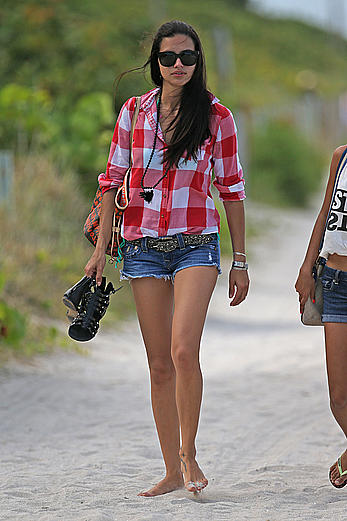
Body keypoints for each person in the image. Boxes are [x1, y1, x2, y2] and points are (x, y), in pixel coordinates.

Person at [85, 20, 249, 497]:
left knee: (183, 350)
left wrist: (239, 259)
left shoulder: (217, 117)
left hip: (196, 242)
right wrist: (100, 252)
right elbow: (112, 182)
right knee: (159, 363)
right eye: (169, 58)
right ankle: (171, 471)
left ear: (199, 62)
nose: (179, 65)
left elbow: (232, 191)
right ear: (155, 64)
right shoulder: (133, 113)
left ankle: (190, 455)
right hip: (141, 247)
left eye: (188, 57)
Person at [295, 144, 347, 489]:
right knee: (339, 397)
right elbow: (326, 212)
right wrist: (306, 266)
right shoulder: (341, 156)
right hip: (335, 279)